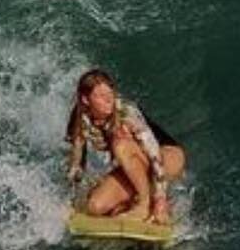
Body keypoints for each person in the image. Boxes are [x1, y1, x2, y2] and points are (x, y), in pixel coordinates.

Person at [65, 68, 186, 224]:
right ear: (86, 100)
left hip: (167, 156)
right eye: (101, 96)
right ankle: (129, 204)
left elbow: (155, 157)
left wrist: (160, 200)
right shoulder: (80, 119)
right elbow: (76, 165)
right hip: (138, 164)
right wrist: (71, 201)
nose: (109, 100)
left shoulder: (126, 113)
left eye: (110, 94)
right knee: (95, 206)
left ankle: (145, 205)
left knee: (121, 143)